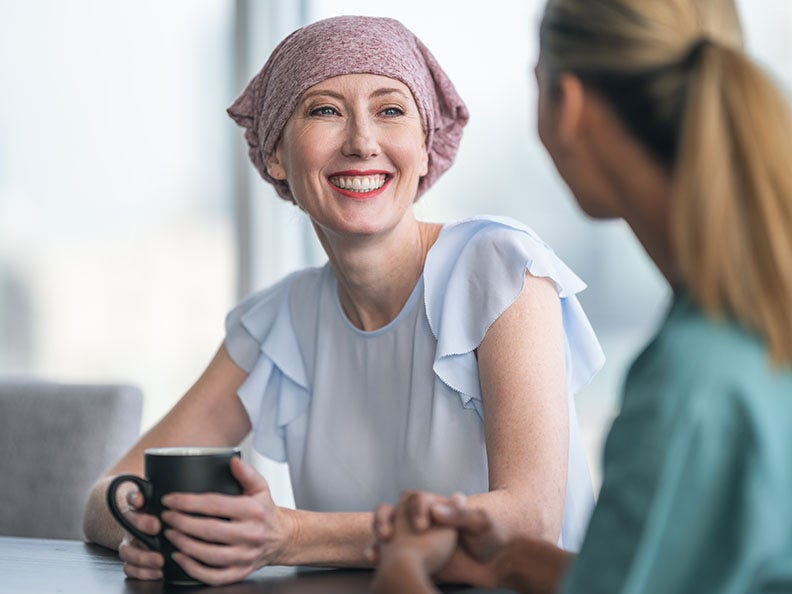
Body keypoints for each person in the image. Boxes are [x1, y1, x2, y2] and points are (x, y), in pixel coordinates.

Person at [82, 15, 605, 587]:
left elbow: (529, 520)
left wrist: (289, 536)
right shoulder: (280, 321)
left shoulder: (499, 269)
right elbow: (104, 496)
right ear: (276, 155)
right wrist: (152, 531)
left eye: (390, 110)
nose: (362, 141)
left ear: (426, 148)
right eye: (325, 110)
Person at [371, 0, 792, 592]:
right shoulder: (750, 337)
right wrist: (514, 562)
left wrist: (401, 567)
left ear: (566, 104)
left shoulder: (688, 390)